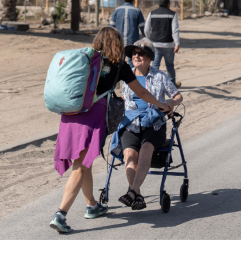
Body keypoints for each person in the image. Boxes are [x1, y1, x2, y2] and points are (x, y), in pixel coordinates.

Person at [49, 27, 170, 234]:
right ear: (118, 44)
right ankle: (60, 214)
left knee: (84, 162)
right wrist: (161, 104)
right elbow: (140, 91)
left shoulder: (87, 58)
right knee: (80, 164)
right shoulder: (118, 65)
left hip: (69, 115)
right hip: (92, 116)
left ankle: (92, 205)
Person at [117, 41, 183, 210]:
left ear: (149, 58)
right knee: (130, 154)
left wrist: (170, 102)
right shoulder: (126, 75)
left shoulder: (159, 76)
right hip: (131, 123)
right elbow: (124, 98)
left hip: (154, 124)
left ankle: (132, 192)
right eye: (133, 53)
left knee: (146, 149)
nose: (136, 56)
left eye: (141, 53)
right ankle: (136, 194)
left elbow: (178, 96)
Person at [146, 0, 181, 85]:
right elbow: (175, 30)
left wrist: (150, 39)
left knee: (155, 66)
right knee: (169, 66)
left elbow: (146, 29)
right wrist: (177, 43)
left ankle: (153, 85)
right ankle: (172, 86)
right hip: (169, 45)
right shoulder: (172, 14)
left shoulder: (152, 13)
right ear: (167, 4)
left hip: (155, 45)